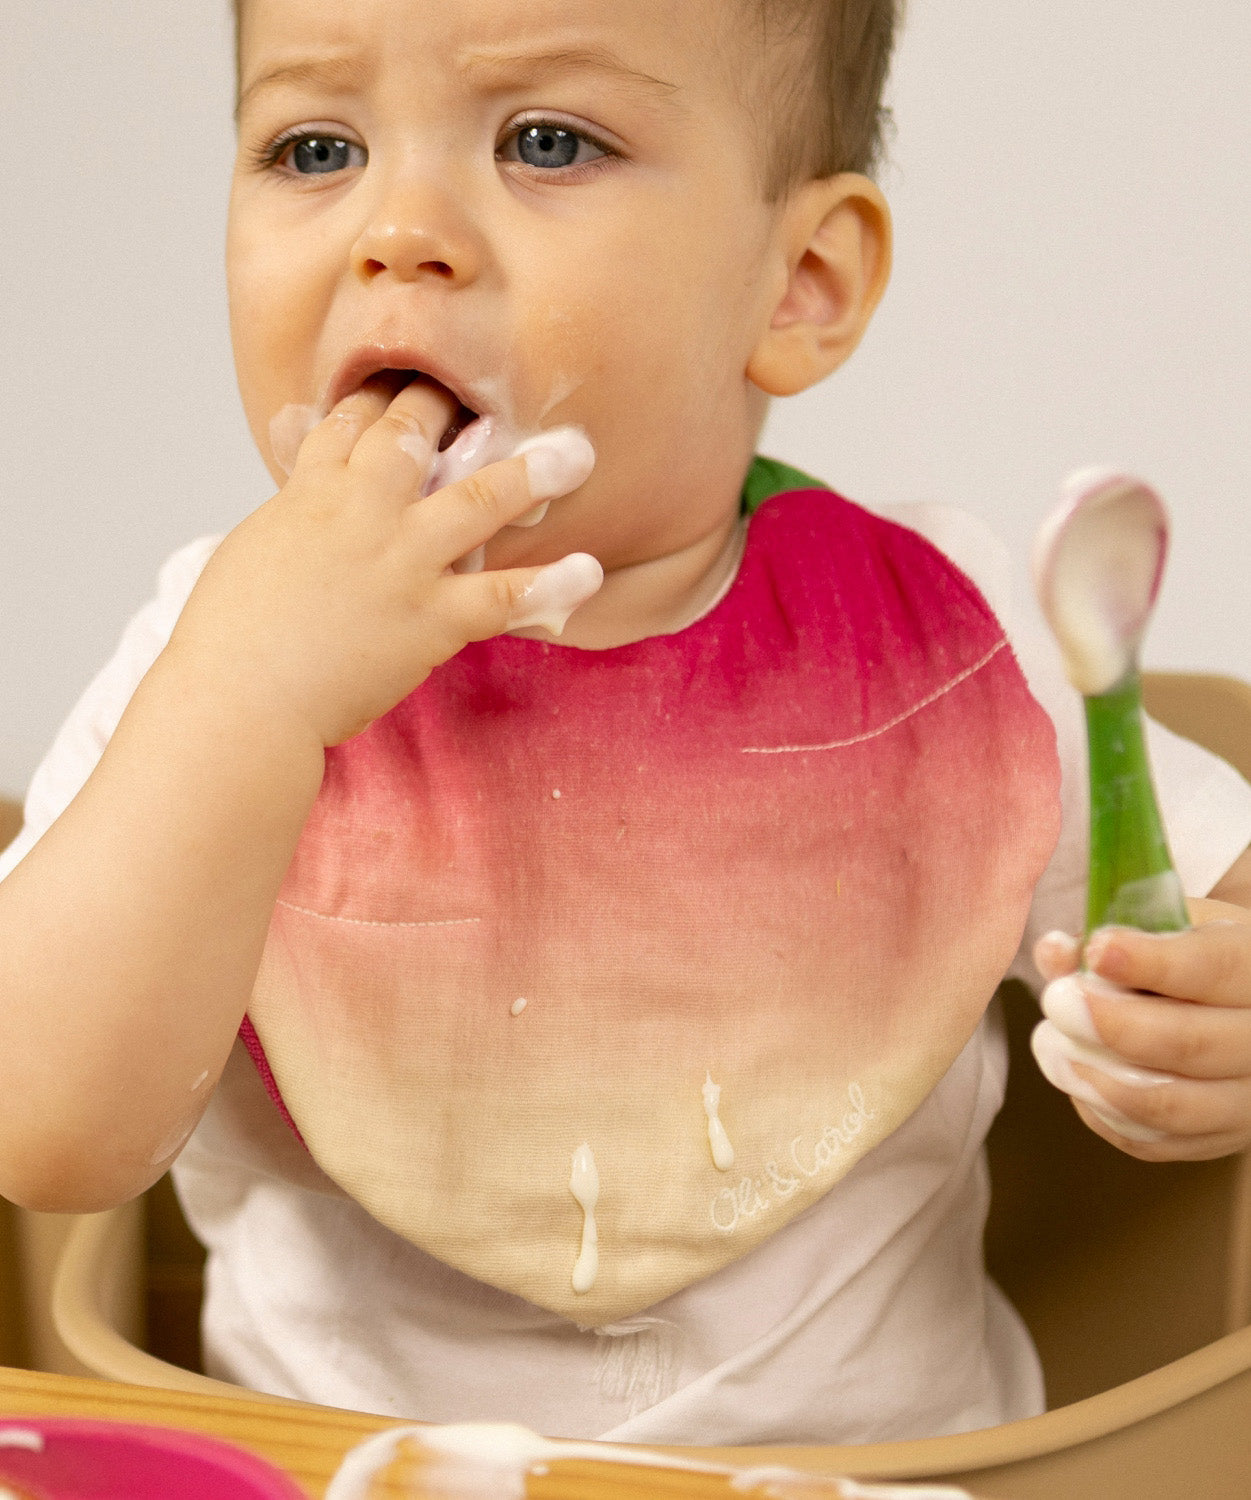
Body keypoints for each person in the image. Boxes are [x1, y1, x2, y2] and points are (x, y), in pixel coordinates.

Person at [3, 0, 1251, 1446]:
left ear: (797, 283)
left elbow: (1220, 897)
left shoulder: (935, 644)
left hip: (884, 1481)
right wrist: (253, 705)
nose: (400, 231)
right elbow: (44, 1133)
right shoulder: (210, 658)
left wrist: (1217, 1014)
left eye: (547, 142)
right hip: (336, 1476)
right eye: (314, 145)